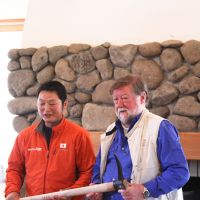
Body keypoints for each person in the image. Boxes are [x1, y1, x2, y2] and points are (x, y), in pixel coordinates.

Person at [87, 75, 190, 200]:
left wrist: (145, 190)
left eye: (125, 98)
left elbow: (180, 172)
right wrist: (97, 187)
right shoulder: (110, 131)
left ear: (142, 98)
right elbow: (99, 168)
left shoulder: (161, 127)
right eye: (115, 100)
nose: (119, 104)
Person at [5, 81, 95, 200]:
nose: (46, 109)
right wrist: (12, 191)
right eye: (41, 103)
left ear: (64, 104)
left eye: (52, 104)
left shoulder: (79, 135)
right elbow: (14, 169)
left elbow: (88, 172)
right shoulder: (25, 136)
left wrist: (70, 193)